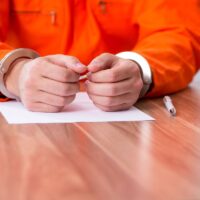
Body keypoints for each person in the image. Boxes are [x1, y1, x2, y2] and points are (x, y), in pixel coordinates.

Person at [0, 0, 199, 112]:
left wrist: (140, 69)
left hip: (128, 132)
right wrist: (13, 72)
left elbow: (179, 33)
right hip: (22, 135)